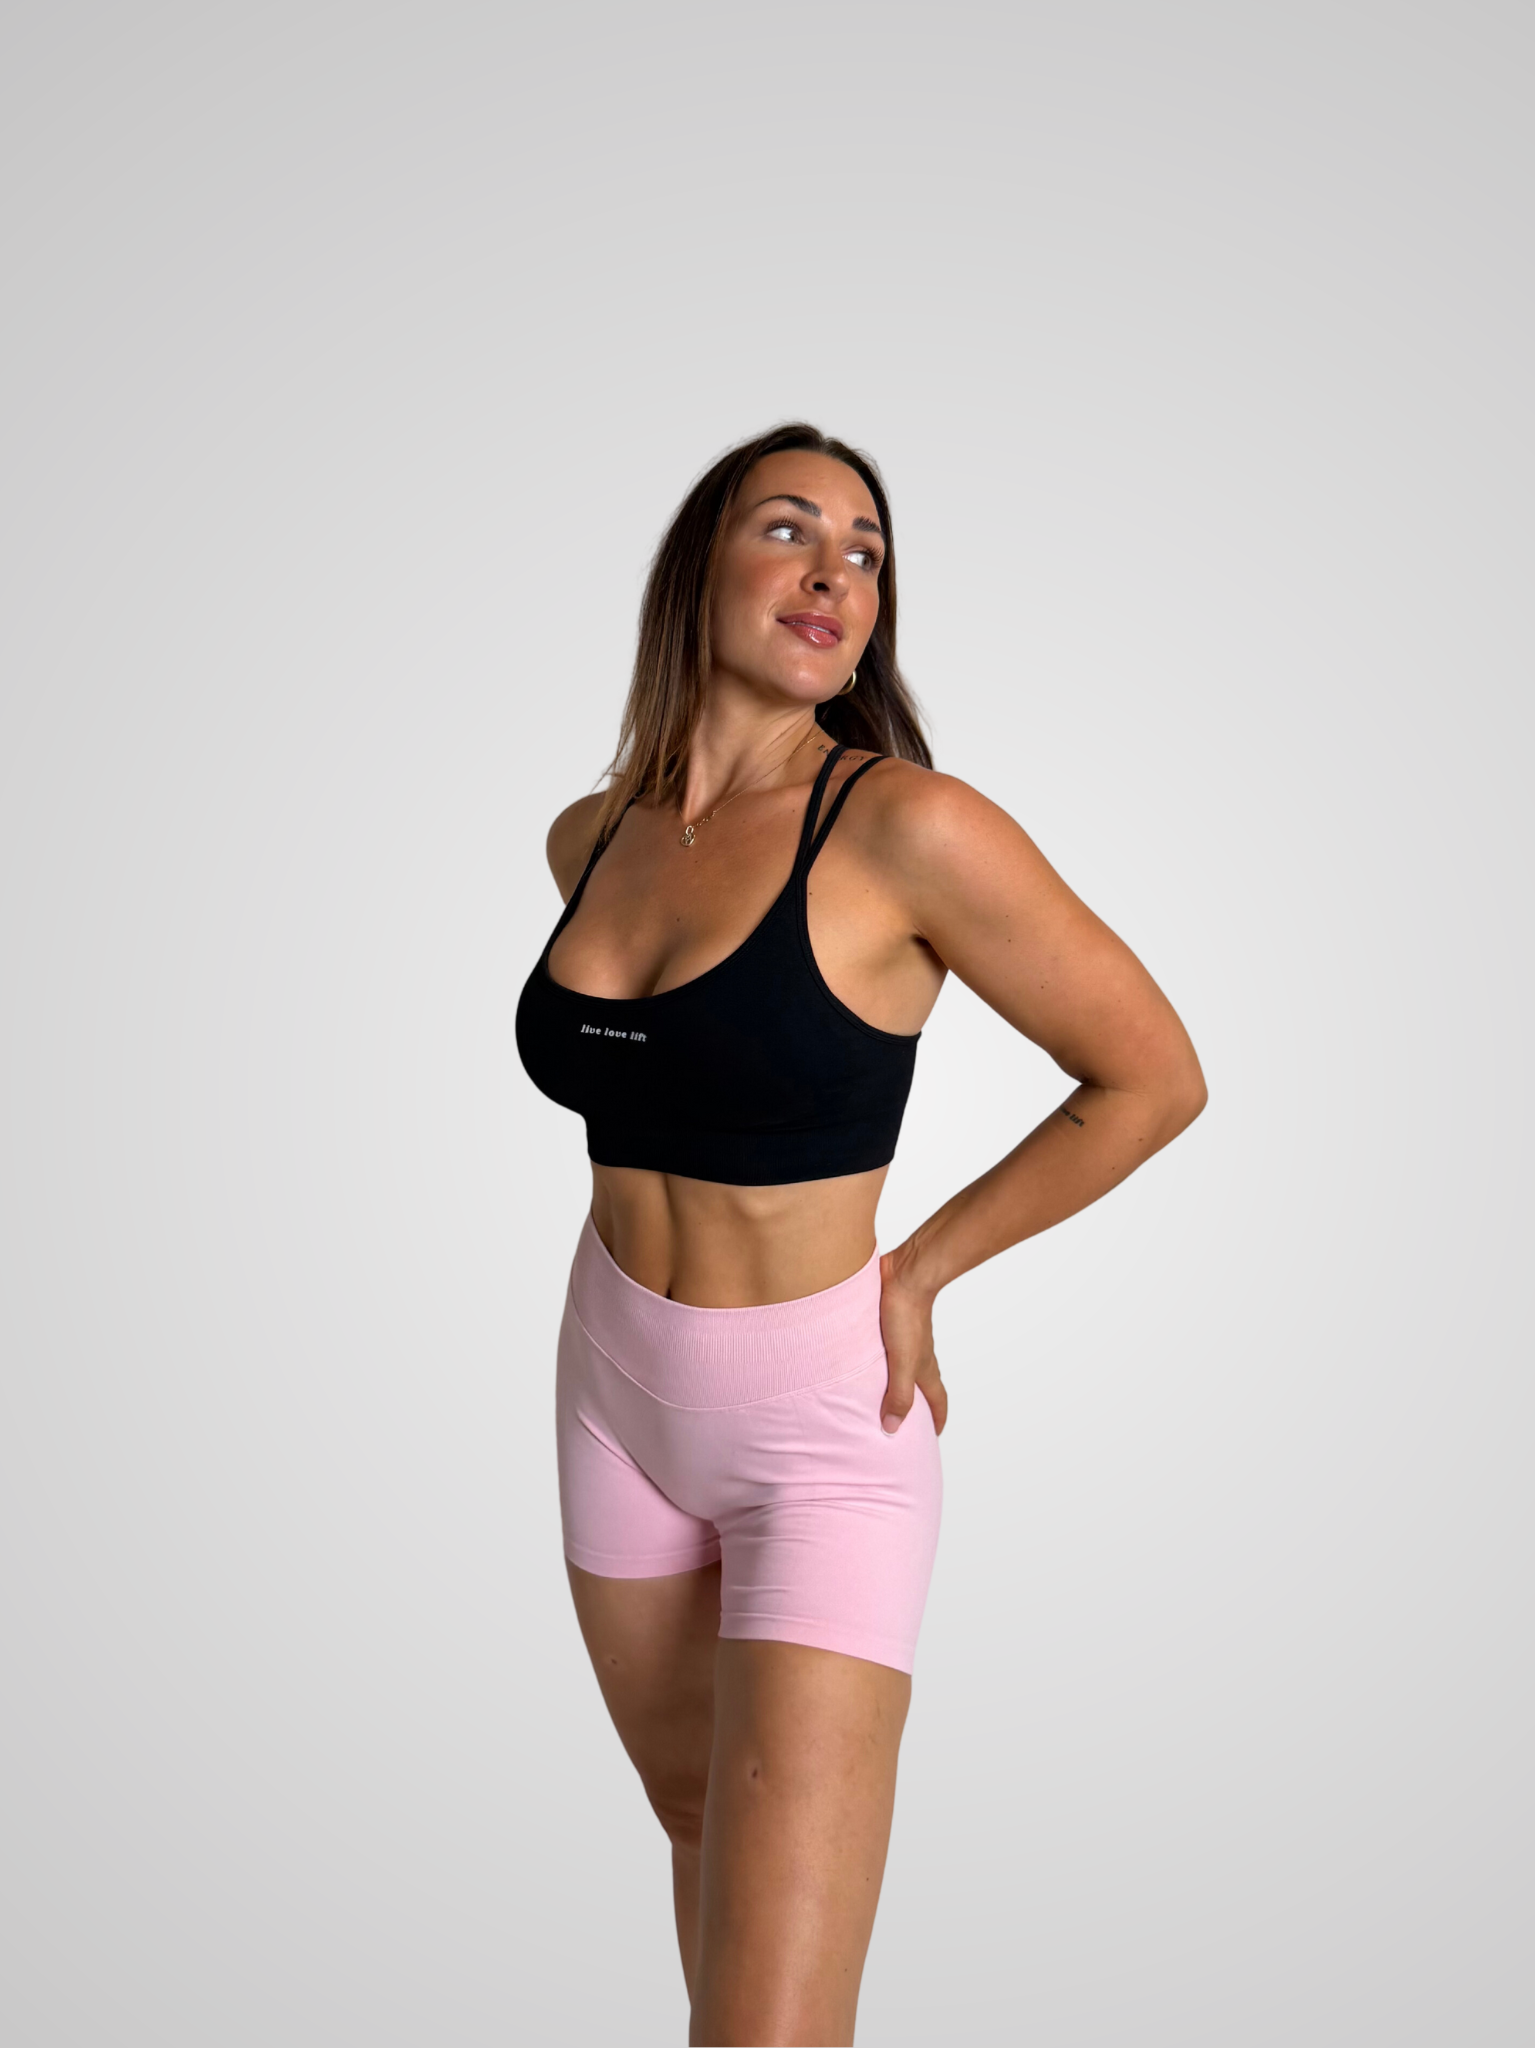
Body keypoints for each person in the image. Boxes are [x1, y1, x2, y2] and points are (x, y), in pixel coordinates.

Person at [516, 422, 1206, 2045]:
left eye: (866, 551)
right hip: (611, 1385)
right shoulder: (590, 837)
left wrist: (928, 1265)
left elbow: (1152, 1076)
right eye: (788, 529)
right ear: (696, 567)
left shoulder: (908, 829)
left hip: (819, 1427)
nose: (833, 570)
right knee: (695, 1828)